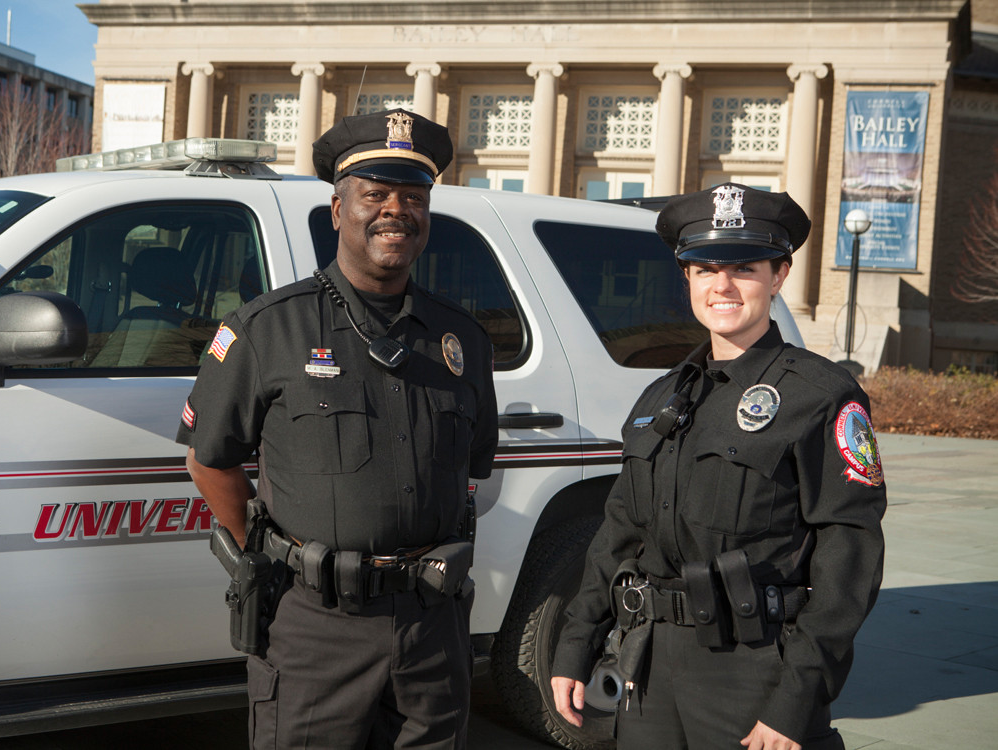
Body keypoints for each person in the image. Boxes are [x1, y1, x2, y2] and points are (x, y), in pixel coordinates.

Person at [177, 109, 499, 749]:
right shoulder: (266, 330)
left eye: (413, 198)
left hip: (431, 624)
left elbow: (472, 471)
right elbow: (209, 461)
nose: (395, 211)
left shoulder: (460, 338)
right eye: (375, 194)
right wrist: (271, 555)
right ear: (336, 210)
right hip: (318, 626)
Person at [550, 184, 887, 750]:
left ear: (778, 276)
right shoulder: (659, 399)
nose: (722, 286)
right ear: (686, 278)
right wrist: (575, 642)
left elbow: (849, 559)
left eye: (744, 268)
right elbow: (620, 533)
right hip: (650, 664)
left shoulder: (821, 395)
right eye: (705, 268)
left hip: (754, 669)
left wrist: (796, 700)